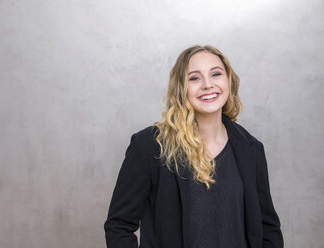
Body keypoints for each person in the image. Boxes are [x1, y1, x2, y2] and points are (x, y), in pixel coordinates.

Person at [104, 45, 283, 248]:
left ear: (229, 81)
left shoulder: (250, 149)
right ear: (180, 87)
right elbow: (119, 226)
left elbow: (268, 228)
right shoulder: (149, 146)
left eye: (216, 74)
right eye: (194, 78)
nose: (207, 85)